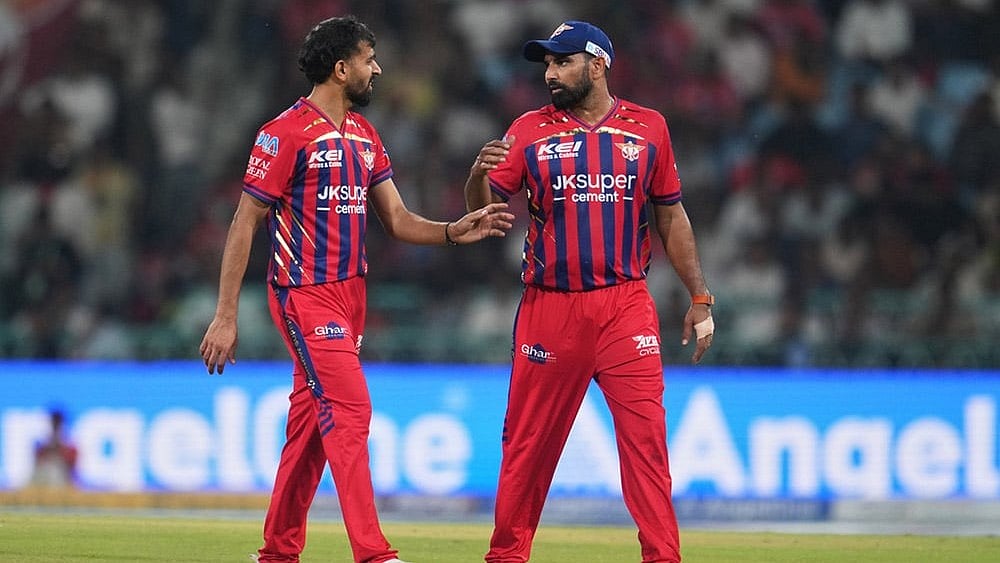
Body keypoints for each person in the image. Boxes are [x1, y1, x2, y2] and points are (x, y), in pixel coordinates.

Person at [199, 15, 514, 563]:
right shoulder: (283, 133)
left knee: (310, 423)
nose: (378, 69)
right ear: (342, 68)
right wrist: (226, 315)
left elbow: (396, 219)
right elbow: (245, 222)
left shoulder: (366, 136)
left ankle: (276, 551)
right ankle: (374, 553)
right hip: (303, 293)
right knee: (350, 409)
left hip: (352, 296)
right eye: (369, 59)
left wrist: (451, 232)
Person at [465, 21, 715, 563]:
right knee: (528, 450)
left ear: (597, 64)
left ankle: (663, 558)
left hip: (626, 307)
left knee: (646, 448)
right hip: (550, 309)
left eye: (562, 62)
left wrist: (700, 298)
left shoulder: (650, 128)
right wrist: (474, 179)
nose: (550, 74)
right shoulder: (529, 129)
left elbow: (671, 215)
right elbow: (485, 207)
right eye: (547, 65)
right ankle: (506, 557)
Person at [30, 408, 78, 489]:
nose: (55, 426)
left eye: (58, 423)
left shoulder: (70, 446)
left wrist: (59, 448)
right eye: (53, 423)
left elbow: (72, 466)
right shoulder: (42, 445)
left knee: (55, 472)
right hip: (42, 481)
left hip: (62, 481)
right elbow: (37, 463)